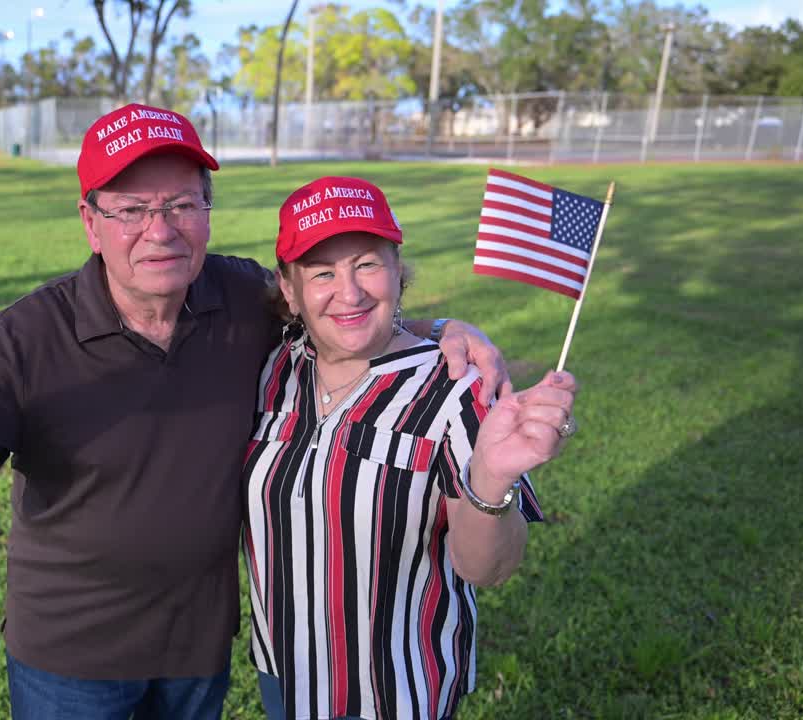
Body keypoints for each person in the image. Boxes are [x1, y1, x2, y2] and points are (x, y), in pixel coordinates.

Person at [0, 103, 511, 720]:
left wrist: (440, 327)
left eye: (181, 204)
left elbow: (339, 310)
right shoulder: (23, 339)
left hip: (196, 651)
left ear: (207, 211)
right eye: (131, 210)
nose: (161, 229)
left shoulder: (240, 294)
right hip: (70, 658)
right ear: (90, 223)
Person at [244, 176, 578, 720]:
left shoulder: (454, 385)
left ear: (398, 270)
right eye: (323, 272)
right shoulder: (276, 366)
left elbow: (487, 569)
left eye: (367, 264)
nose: (349, 292)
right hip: (283, 673)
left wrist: (490, 480)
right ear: (289, 289)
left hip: (393, 687)